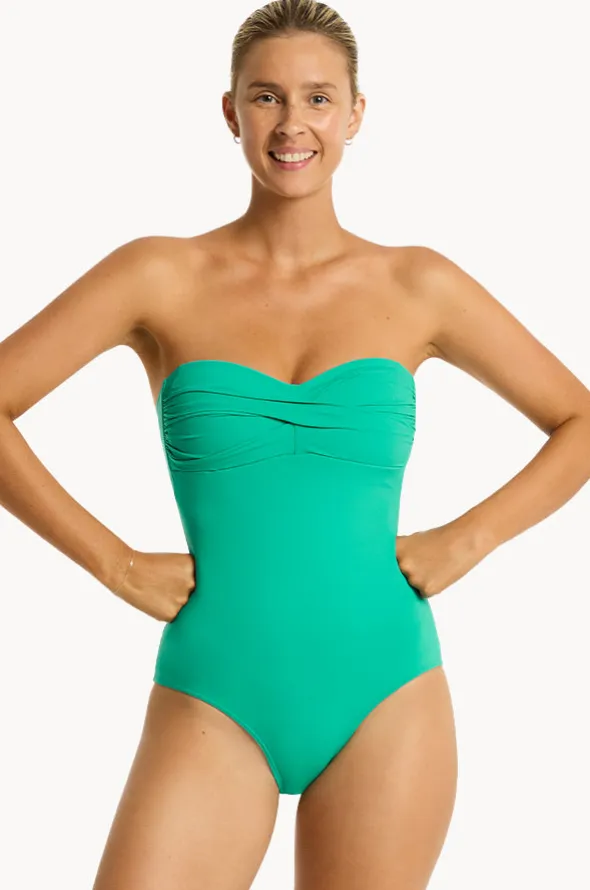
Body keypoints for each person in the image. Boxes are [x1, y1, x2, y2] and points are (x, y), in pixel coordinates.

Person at [1, 1, 589, 888]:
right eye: (267, 96)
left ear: (355, 114)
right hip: (215, 685)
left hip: (387, 687)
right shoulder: (158, 274)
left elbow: (578, 420)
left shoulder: (418, 283)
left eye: (318, 98)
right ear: (231, 112)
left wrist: (467, 539)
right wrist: (113, 564)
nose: (292, 124)